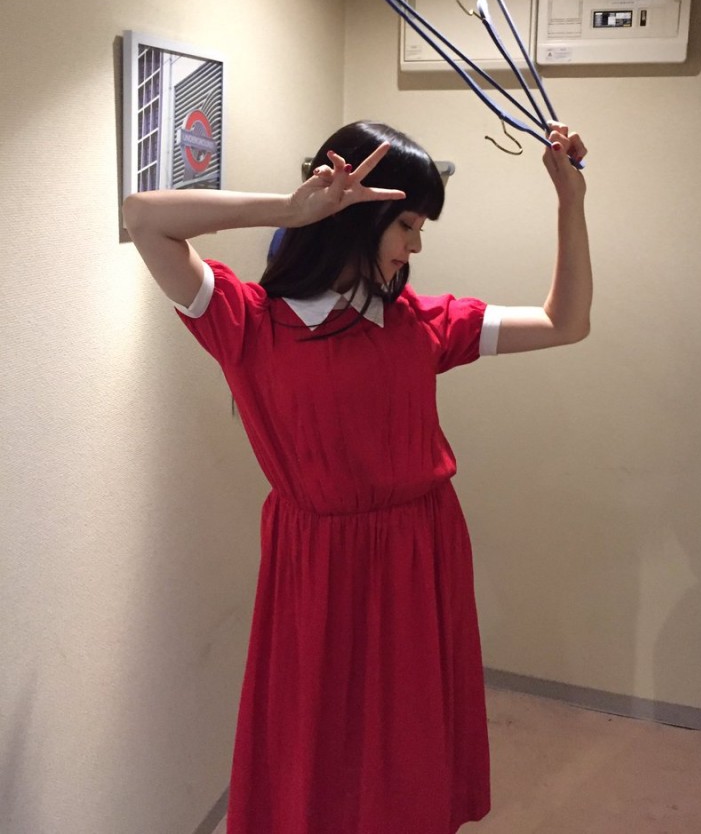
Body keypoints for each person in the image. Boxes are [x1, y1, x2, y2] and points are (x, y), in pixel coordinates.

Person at [123, 118, 591, 834]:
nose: (416, 246)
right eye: (406, 225)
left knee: (408, 743)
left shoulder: (419, 323)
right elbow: (143, 217)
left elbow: (567, 322)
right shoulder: (248, 322)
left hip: (420, 551)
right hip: (317, 562)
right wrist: (290, 209)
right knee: (319, 743)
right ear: (354, 216)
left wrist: (570, 201)